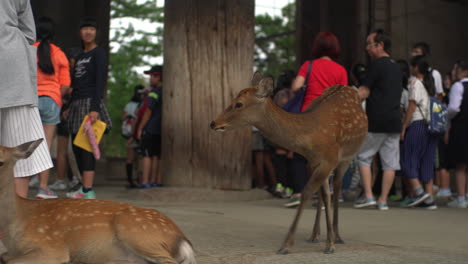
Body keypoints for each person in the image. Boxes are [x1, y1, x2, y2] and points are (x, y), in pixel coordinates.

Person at [284, 32, 348, 207]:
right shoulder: (340, 70)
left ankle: (298, 194)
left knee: (299, 155)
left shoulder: (308, 65)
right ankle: (322, 197)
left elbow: (296, 86)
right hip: (329, 119)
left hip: (308, 117)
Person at [0, 0, 54, 198]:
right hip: (14, 69)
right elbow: (29, 33)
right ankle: (13, 224)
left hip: (15, 70)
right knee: (19, 152)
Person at [354, 29, 403, 210]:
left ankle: (368, 196)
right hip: (394, 120)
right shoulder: (397, 67)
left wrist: (348, 101)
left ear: (380, 45)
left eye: (369, 44)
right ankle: (383, 200)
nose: (367, 48)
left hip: (376, 120)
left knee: (364, 157)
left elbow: (364, 91)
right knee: (390, 163)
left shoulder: (376, 65)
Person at [66, 17, 112, 199]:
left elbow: (100, 81)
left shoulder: (98, 53)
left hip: (90, 103)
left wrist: (95, 108)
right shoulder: (79, 56)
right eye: (84, 29)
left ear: (95, 33)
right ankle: (82, 186)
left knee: (87, 147)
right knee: (75, 147)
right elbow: (75, 83)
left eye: (91, 29)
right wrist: (68, 107)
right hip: (76, 104)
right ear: (80, 33)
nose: (88, 32)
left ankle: (88, 190)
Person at [32, 17, 71, 199]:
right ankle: (43, 187)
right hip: (51, 100)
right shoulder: (58, 53)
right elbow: (65, 85)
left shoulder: (29, 51)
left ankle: (21, 183)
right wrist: (57, 97)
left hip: (30, 101)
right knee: (45, 146)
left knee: (26, 144)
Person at [400, 55, 438, 209]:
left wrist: (404, 127)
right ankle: (429, 199)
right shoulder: (430, 84)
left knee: (409, 159)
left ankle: (420, 192)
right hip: (431, 128)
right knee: (427, 162)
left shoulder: (415, 83)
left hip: (417, 126)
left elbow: (411, 107)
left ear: (416, 68)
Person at [49, 47, 82, 191]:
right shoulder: (74, 75)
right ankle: (67, 179)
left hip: (69, 114)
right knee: (65, 151)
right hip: (66, 114)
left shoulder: (70, 76)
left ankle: (68, 179)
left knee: (68, 151)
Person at [137, 65, 164, 188]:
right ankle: (154, 181)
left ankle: (145, 181)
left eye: (153, 76)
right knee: (156, 156)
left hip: (151, 127)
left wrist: (141, 127)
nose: (151, 79)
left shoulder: (154, 92)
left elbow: (148, 111)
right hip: (161, 129)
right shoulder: (166, 91)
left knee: (147, 155)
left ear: (159, 77)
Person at [447, 60, 468, 208]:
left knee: (461, 165)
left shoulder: (458, 86)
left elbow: (454, 108)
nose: (454, 73)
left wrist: (446, 116)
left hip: (461, 127)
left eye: (456, 70)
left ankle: (461, 198)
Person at [122, 84, 145, 188]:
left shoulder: (129, 105)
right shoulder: (143, 104)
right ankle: (138, 180)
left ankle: (131, 180)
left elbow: (123, 117)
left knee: (131, 158)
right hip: (138, 134)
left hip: (130, 134)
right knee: (138, 158)